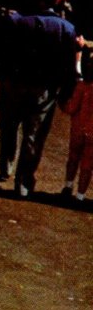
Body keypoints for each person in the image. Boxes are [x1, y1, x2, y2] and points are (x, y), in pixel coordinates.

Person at [0, 0, 78, 197]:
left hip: (13, 84)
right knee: (34, 136)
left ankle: (6, 164)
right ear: (56, 0)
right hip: (44, 90)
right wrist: (67, 92)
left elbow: (1, 51)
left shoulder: (15, 21)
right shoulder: (65, 28)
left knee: (9, 127)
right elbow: (69, 64)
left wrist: (2, 76)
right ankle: (23, 182)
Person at [60, 48, 93, 203]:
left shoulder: (82, 86)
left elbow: (72, 107)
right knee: (88, 164)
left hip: (78, 129)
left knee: (73, 158)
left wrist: (64, 106)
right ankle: (80, 195)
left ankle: (68, 185)